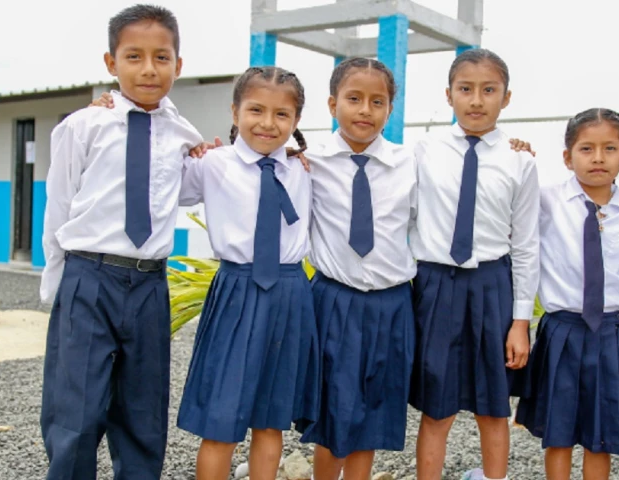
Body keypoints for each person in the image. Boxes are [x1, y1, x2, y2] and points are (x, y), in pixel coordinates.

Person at [39, 5, 202, 479]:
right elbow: (59, 205)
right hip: (89, 278)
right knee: (76, 411)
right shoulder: (83, 126)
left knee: (143, 414)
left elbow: (194, 185)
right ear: (112, 64)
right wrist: (57, 284)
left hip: (151, 284)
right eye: (134, 56)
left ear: (178, 64)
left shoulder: (180, 132)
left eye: (161, 57)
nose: (149, 69)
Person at [174, 66, 320, 480]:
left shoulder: (305, 169)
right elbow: (163, 176)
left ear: (295, 122)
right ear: (235, 111)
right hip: (237, 289)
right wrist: (191, 147)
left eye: (281, 114)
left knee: (270, 418)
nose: (268, 123)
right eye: (256, 109)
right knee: (220, 418)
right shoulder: (213, 164)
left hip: (290, 294)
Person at [408, 48, 539, 480]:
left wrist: (521, 321)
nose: (477, 100)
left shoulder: (520, 160)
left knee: (492, 406)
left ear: (507, 97)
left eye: (489, 90)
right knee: (437, 406)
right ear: (449, 95)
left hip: (491, 285)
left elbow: (525, 244)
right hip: (435, 285)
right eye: (466, 89)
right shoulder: (423, 152)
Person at [298, 57, 417, 480]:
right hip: (334, 300)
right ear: (333, 105)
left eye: (377, 101)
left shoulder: (410, 163)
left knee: (375, 408)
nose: (365, 110)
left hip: (392, 303)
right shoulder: (308, 161)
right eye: (354, 99)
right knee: (333, 408)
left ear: (390, 109)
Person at [515, 108, 619, 479]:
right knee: (559, 432)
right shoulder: (546, 201)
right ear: (567, 156)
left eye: (610, 148)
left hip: (614, 332)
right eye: (586, 149)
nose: (598, 158)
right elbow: (509, 202)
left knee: (600, 434)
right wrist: (515, 157)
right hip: (563, 329)